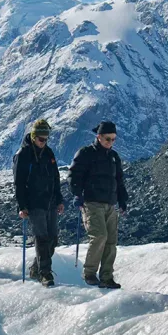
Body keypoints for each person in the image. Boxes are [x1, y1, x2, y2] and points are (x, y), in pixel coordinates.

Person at [69, 121, 128, 289]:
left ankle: (106, 277)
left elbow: (119, 181)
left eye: (113, 139)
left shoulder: (114, 157)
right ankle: (89, 273)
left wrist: (123, 200)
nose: (111, 142)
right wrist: (77, 194)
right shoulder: (86, 153)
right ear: (99, 137)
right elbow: (74, 175)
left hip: (110, 203)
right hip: (91, 202)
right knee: (99, 236)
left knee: (111, 241)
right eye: (108, 139)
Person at [14, 119, 64, 287]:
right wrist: (22, 206)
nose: (44, 142)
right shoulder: (24, 155)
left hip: (50, 202)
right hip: (34, 203)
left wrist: (59, 199)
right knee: (41, 237)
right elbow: (19, 183)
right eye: (41, 139)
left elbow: (55, 178)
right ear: (34, 137)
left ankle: (36, 267)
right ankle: (45, 274)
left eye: (46, 139)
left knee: (53, 239)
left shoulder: (49, 153)